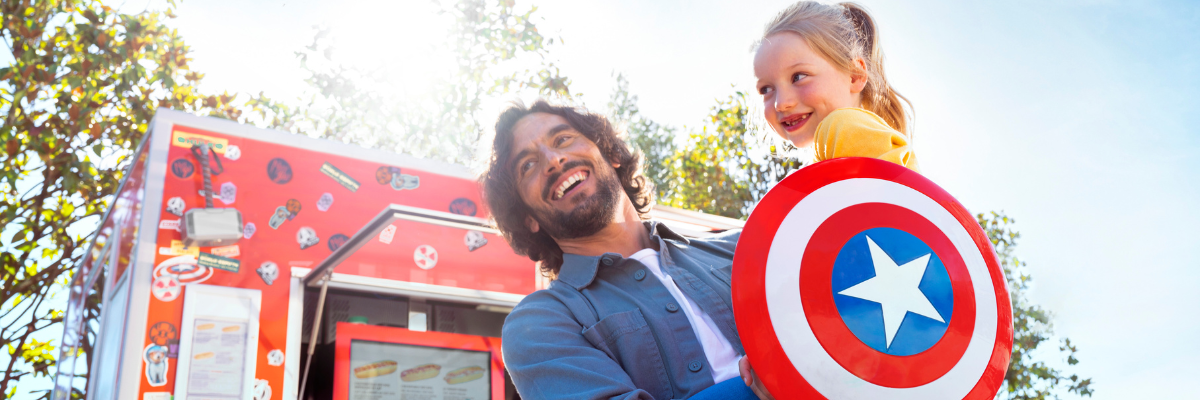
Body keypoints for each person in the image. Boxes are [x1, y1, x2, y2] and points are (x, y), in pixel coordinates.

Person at [482, 100, 768, 399]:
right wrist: (769, 381)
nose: (553, 160)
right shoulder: (537, 325)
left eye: (563, 139)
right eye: (527, 166)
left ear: (611, 153)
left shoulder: (745, 248)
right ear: (527, 218)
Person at [754, 1, 919, 171]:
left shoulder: (842, 125)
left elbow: (887, 186)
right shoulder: (835, 150)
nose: (781, 103)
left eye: (798, 77)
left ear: (854, 75)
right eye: (766, 89)